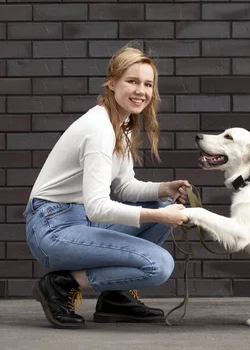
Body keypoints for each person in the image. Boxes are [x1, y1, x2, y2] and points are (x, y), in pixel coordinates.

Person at [23, 45, 190, 329]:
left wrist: (165, 189)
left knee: (160, 205)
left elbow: (124, 188)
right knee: (158, 265)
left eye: (148, 84)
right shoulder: (99, 129)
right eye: (132, 81)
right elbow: (98, 207)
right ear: (112, 83)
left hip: (78, 222)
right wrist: (161, 217)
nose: (141, 91)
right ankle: (61, 284)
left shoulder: (120, 126)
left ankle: (116, 298)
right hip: (53, 228)